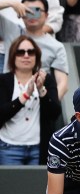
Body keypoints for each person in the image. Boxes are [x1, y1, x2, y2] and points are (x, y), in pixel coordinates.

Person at [0, 34, 60, 165]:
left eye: (31, 52)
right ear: (13, 56)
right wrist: (25, 96)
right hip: (8, 147)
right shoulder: (3, 81)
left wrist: (41, 90)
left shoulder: (46, 80)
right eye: (20, 52)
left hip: (38, 148)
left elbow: (54, 113)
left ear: (36, 56)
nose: (26, 56)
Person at [1, 0, 69, 99]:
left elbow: (62, 84)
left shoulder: (56, 46)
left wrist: (50, 104)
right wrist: (11, 3)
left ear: (46, 15)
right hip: (8, 98)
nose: (32, 14)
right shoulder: (11, 30)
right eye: (27, 11)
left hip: (37, 100)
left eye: (37, 11)